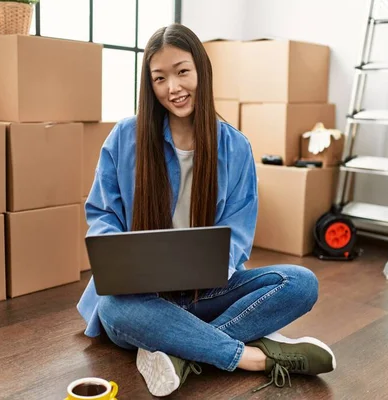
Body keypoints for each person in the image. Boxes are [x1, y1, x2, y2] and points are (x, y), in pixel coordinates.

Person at [77, 23, 336, 397]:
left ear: (201, 70)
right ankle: (251, 356)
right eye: (159, 78)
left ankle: (181, 355)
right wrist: (121, 263)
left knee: (301, 283)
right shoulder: (125, 136)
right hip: (142, 298)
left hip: (208, 292)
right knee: (114, 310)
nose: (173, 88)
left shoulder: (235, 147)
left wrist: (213, 267)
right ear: (149, 86)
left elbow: (238, 232)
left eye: (182, 72)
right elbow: (102, 215)